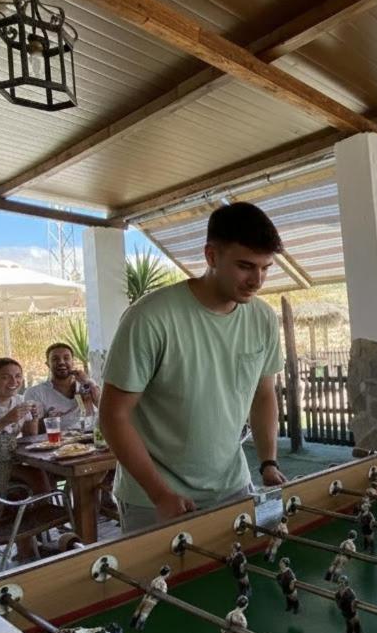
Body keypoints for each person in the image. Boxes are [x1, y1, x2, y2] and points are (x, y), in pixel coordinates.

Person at [100, 202, 288, 533]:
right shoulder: (150, 317)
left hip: (233, 486)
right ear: (211, 256)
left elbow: (263, 394)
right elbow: (113, 416)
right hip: (153, 497)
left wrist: (268, 461)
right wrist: (160, 494)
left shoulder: (263, 318)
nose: (257, 280)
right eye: (245, 266)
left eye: (265, 268)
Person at [24, 342, 100, 432]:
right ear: (48, 364)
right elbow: (34, 431)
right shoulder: (36, 392)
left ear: (73, 362)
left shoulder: (87, 385)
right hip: (55, 439)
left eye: (66, 358)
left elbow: (104, 407)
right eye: (55, 359)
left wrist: (87, 382)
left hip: (90, 437)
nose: (61, 362)